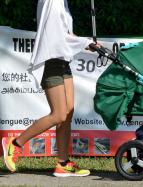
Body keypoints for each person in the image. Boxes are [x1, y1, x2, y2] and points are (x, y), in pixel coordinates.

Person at [2, 0, 98, 177]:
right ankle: (15, 143)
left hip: (63, 61)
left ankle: (62, 163)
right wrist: (84, 42)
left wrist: (87, 44)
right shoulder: (53, 2)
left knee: (68, 112)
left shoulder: (63, 3)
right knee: (59, 114)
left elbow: (66, 33)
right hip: (51, 62)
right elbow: (56, 38)